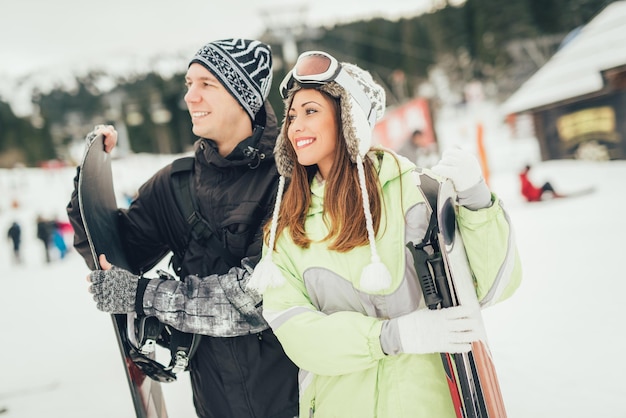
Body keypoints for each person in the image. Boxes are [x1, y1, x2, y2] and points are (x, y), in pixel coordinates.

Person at [246, 51, 522, 418]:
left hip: (432, 405)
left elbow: (492, 287)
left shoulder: (416, 193)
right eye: (292, 116)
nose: (295, 127)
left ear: (349, 120)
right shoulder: (287, 229)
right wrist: (392, 336)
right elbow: (299, 336)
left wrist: (477, 202)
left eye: (310, 111)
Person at [67, 38, 298, 418]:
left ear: (245, 97)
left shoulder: (290, 178)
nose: (190, 96)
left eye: (206, 84)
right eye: (188, 84)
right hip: (214, 403)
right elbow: (114, 255)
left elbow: (256, 301)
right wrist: (87, 185)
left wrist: (144, 296)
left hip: (300, 401)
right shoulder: (174, 185)